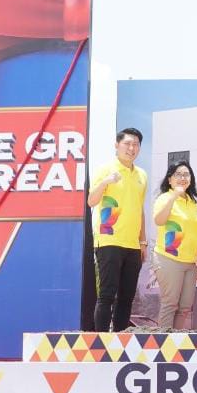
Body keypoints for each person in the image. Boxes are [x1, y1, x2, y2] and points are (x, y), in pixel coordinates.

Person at [87, 127, 148, 332]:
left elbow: (140, 210)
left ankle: (120, 341)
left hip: (132, 244)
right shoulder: (105, 169)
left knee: (126, 297)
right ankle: (101, 343)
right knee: (106, 295)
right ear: (117, 145)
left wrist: (143, 241)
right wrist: (106, 182)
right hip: (108, 240)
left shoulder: (141, 175)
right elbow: (91, 201)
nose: (131, 148)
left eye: (136, 144)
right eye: (127, 143)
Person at [151, 161, 197, 330]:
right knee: (170, 304)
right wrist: (173, 197)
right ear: (170, 180)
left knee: (185, 307)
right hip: (168, 258)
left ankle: (176, 345)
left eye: (186, 174)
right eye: (178, 174)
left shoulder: (192, 203)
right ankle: (163, 347)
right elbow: (159, 220)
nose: (182, 178)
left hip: (190, 262)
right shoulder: (164, 198)